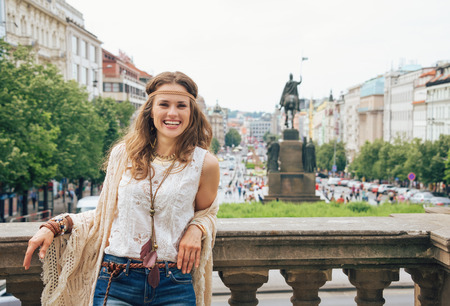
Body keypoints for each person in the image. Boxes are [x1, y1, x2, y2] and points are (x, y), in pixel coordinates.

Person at [23, 72, 220, 306]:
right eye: (164, 104)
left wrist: (197, 228)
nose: (172, 113)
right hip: (117, 279)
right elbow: (104, 215)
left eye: (181, 105)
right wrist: (56, 225)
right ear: (151, 110)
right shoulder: (123, 154)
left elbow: (206, 212)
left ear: (192, 112)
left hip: (174, 283)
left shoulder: (205, 163)